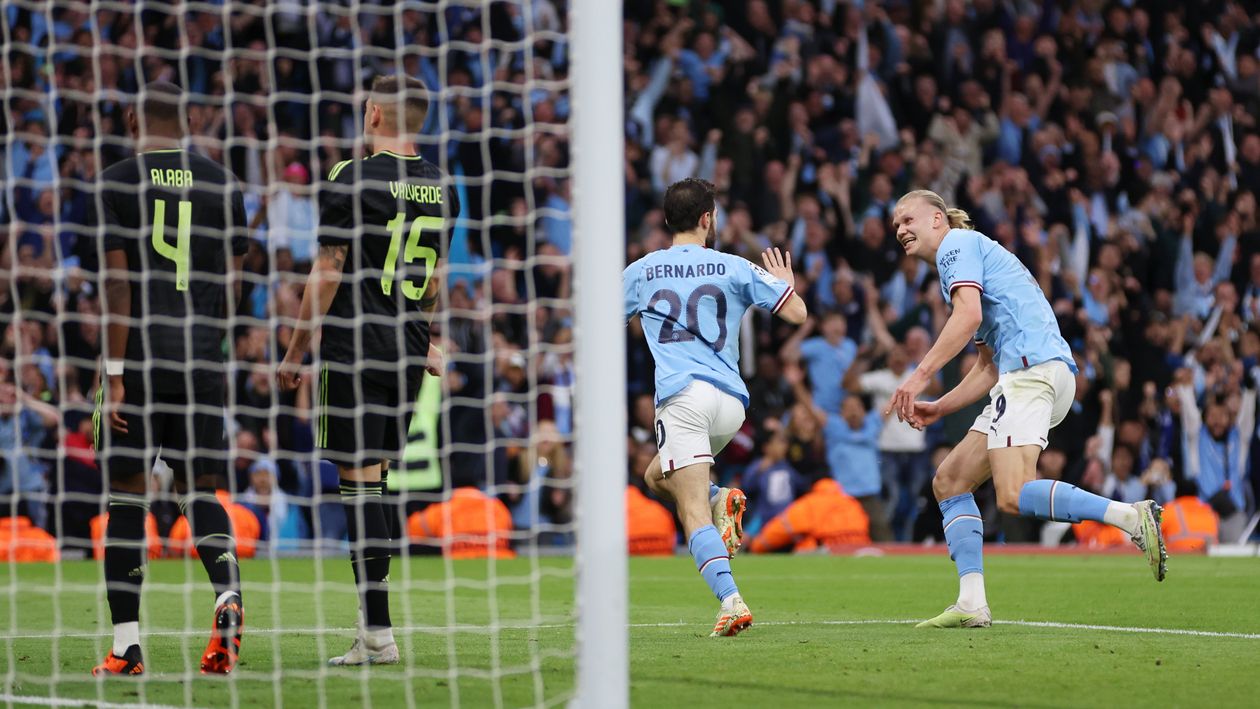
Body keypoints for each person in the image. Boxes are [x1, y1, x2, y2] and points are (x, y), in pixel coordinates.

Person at [885, 189, 1167, 629]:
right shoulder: (968, 257)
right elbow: (986, 365)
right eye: (896, 224)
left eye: (908, 219)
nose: (901, 229)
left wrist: (918, 376)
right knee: (950, 480)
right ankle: (971, 602)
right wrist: (940, 406)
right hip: (1032, 372)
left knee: (1013, 494)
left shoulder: (957, 245)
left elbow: (968, 317)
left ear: (938, 218)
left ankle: (1130, 517)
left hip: (1031, 372)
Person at [277, 75, 457, 665]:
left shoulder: (350, 177)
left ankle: (378, 634)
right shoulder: (443, 186)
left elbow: (329, 269)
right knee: (373, 485)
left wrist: (295, 350)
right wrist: (424, 341)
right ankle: (372, 630)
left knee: (358, 490)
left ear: (375, 113)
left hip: (355, 348)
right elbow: (432, 280)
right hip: (405, 353)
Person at [91, 81, 247, 675]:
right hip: (201, 360)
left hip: (139, 359)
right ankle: (227, 593)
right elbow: (234, 286)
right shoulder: (223, 184)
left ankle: (126, 647)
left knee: (127, 499)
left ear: (133, 120)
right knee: (200, 491)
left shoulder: (114, 182)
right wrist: (212, 352)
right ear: (190, 122)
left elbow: (116, 284)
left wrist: (113, 374)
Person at [623, 177, 807, 636]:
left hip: (684, 399)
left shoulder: (643, 270)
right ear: (707, 219)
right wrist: (785, 285)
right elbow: (797, 313)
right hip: (730, 405)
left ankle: (731, 600)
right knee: (655, 477)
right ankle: (719, 496)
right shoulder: (734, 266)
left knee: (691, 512)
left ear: (668, 220)